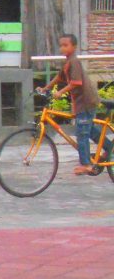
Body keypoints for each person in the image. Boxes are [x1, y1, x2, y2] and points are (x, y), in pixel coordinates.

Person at [39, 33, 105, 176]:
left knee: (82, 133)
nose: (62, 48)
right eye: (61, 45)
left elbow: (76, 83)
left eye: (66, 45)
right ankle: (110, 148)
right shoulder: (68, 62)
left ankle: (86, 164)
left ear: (73, 47)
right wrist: (46, 88)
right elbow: (59, 77)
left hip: (86, 102)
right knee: (89, 129)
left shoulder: (74, 62)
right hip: (83, 102)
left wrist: (59, 92)